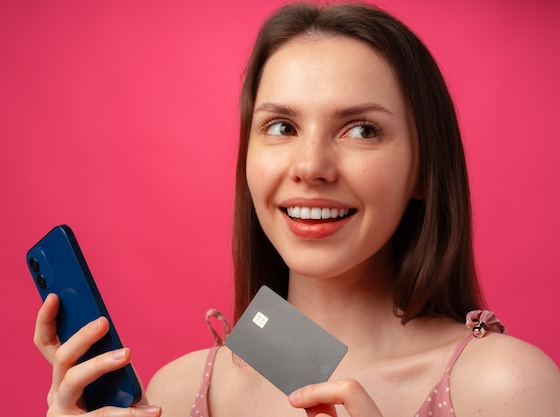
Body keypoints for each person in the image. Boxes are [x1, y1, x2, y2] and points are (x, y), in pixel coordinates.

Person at [33, 3, 560, 416]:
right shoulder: (180, 389)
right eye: (282, 127)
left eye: (362, 129)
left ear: (424, 169)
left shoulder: (504, 388)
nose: (311, 166)